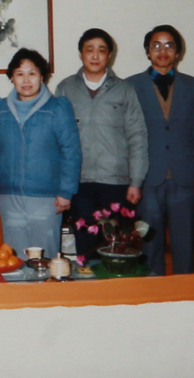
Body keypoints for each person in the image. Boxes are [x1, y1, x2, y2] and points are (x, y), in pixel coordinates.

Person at [55, 28, 148, 259]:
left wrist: (136, 181)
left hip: (116, 182)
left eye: (101, 50)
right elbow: (56, 139)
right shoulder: (66, 88)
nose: (95, 55)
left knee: (116, 247)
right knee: (86, 247)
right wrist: (61, 183)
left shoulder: (124, 90)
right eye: (89, 50)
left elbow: (137, 136)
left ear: (110, 55)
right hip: (79, 182)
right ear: (81, 54)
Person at [127, 25, 194, 275]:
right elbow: (126, 135)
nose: (162, 51)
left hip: (184, 176)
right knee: (149, 239)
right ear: (147, 51)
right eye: (156, 45)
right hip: (147, 177)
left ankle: (185, 288)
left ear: (178, 52)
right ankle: (153, 286)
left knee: (184, 241)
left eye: (169, 45)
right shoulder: (130, 86)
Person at [0, 49, 81, 259]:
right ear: (12, 78)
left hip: (47, 199)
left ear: (42, 77)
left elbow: (71, 151)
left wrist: (66, 192)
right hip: (10, 197)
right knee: (15, 260)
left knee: (45, 261)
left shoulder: (57, 107)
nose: (26, 80)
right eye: (20, 74)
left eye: (32, 73)